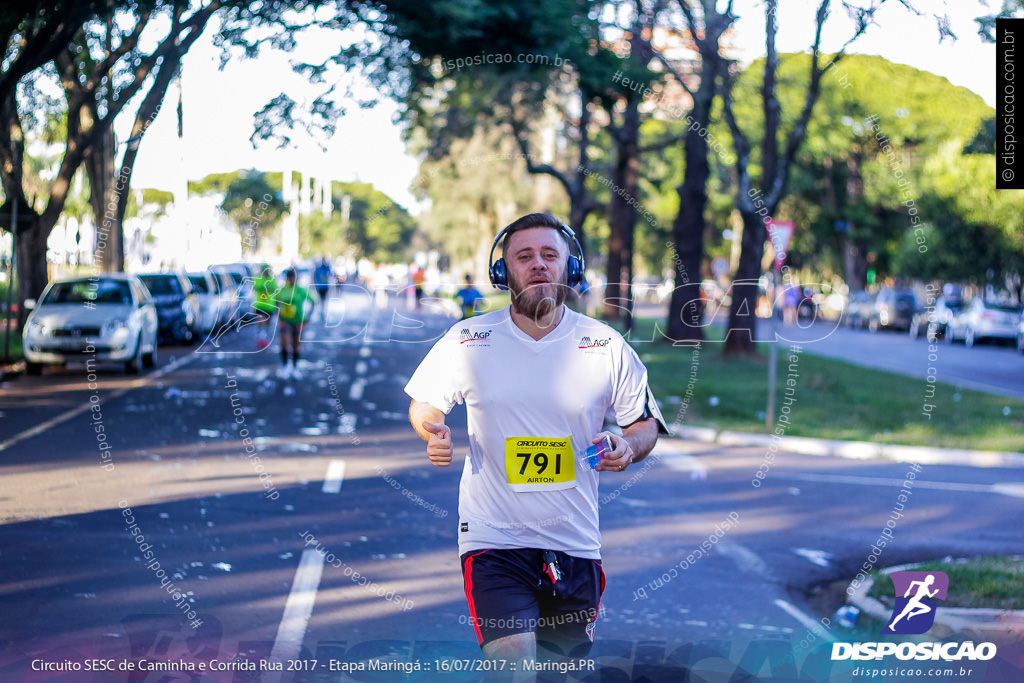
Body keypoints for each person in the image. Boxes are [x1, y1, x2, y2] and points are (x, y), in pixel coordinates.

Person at [404, 213, 668, 672]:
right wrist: (432, 430)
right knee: (515, 669)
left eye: (550, 255)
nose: (539, 265)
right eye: (524, 256)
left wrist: (628, 447)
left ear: (570, 269)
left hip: (575, 541)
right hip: (494, 539)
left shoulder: (604, 345)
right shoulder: (468, 339)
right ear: (503, 271)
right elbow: (425, 404)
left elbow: (643, 423)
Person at [276, 268, 314, 379]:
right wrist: (279, 315)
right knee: (284, 344)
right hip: (285, 321)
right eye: (289, 277)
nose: (291, 279)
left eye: (293, 277)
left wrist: (307, 318)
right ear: (287, 278)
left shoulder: (302, 290)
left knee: (296, 346)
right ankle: (284, 367)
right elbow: (277, 302)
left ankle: (294, 368)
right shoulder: (282, 290)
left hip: (298, 321)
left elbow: (313, 302)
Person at [313, 257, 333, 322]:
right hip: (320, 287)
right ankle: (321, 311)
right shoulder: (319, 268)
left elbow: (330, 275)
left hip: (325, 287)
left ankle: (322, 311)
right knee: (320, 300)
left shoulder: (327, 268)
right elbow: (315, 276)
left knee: (323, 300)